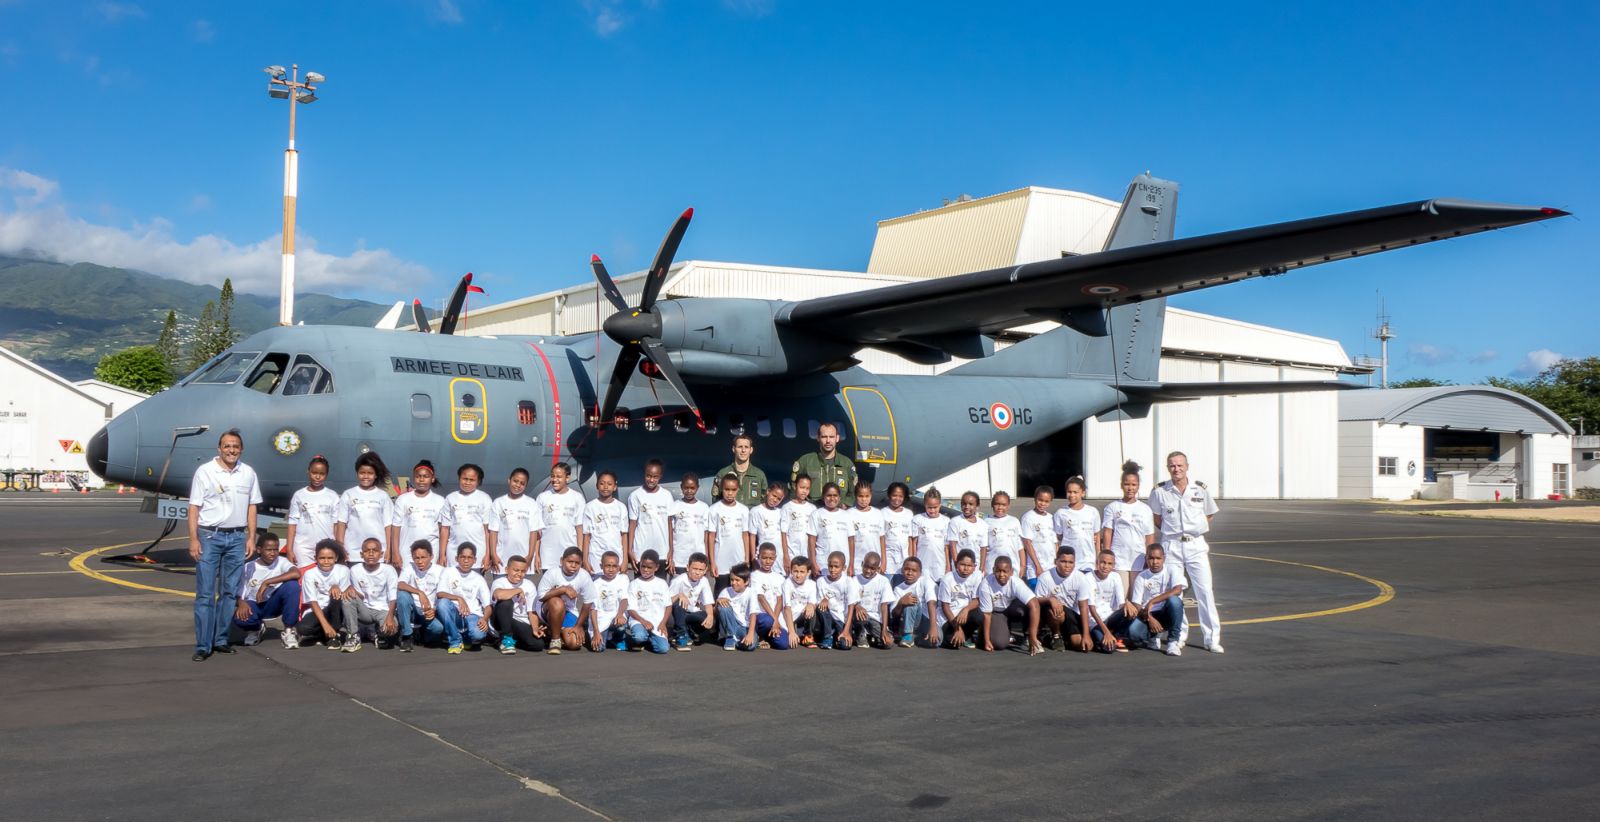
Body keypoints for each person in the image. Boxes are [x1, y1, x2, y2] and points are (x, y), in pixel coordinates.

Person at [188, 428, 261, 661]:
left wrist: (251, 537)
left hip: (237, 537)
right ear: (219, 448)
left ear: (241, 449)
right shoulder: (205, 472)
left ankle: (220, 639)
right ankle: (203, 644)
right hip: (210, 536)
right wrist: (193, 539)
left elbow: (252, 505)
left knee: (229, 592)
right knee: (206, 593)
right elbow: (194, 507)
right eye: (227, 446)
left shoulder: (248, 473)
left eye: (236, 446)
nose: (231, 450)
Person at [1150, 450, 1224, 653]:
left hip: (1195, 546)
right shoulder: (1159, 492)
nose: (1176, 469)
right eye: (1172, 465)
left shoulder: (1200, 490)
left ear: (1187, 466)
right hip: (1172, 546)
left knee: (1205, 592)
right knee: (1176, 593)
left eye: (1180, 465)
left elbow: (1209, 515)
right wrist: (1172, 533)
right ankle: (1179, 635)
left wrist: (1194, 530)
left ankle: (1211, 639)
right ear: (1168, 468)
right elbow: (1157, 519)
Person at [231, 532, 300, 648]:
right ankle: (256, 629)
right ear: (259, 550)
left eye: (276, 549)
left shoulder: (281, 561)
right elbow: (240, 593)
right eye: (269, 550)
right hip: (255, 604)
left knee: (293, 586)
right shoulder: (249, 567)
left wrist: (267, 582)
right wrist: (241, 603)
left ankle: (288, 630)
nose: (273, 553)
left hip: (274, 603)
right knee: (239, 618)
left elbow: (296, 573)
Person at [1125, 544, 1187, 656]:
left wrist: (1152, 601)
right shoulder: (1141, 577)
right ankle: (1153, 637)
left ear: (1164, 558)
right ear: (1146, 559)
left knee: (1175, 601)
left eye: (1158, 558)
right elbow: (1136, 604)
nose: (1155, 562)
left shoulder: (1172, 570)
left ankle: (1173, 642)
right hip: (1148, 614)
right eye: (1151, 558)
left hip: (1166, 613)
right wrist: (1150, 618)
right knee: (1133, 633)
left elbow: (1177, 590)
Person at [1102, 460, 1155, 590]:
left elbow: (1149, 537)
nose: (1130, 488)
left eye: (1133, 484)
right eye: (1127, 484)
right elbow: (1108, 533)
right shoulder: (1112, 507)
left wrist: (1149, 557)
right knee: (1122, 597)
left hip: (1139, 559)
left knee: (1136, 597)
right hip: (1119, 559)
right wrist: (1107, 555)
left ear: (1138, 486)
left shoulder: (1145, 509)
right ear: (1121, 485)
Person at [336, 452, 396, 566]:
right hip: (353, 553)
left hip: (379, 553)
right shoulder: (348, 494)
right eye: (362, 473)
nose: (366, 476)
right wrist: (341, 548)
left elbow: (388, 526)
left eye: (370, 473)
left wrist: (389, 549)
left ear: (376, 475)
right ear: (357, 473)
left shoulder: (383, 496)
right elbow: (341, 523)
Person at [440, 463, 500, 574]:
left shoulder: (484, 498)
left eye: (472, 480)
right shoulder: (450, 498)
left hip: (478, 552)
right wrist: (442, 554)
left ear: (478, 481)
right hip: (453, 552)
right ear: (459, 478)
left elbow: (488, 531)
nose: (467, 482)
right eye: (465, 478)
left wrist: (488, 554)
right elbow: (445, 529)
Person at [1031, 548, 1094, 652]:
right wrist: (1050, 599)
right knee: (1057, 610)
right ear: (1056, 561)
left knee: (1082, 646)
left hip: (1072, 616)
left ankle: (1050, 638)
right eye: (1063, 561)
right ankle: (1056, 636)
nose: (1067, 565)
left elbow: (1084, 607)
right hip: (1053, 615)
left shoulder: (1081, 577)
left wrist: (1086, 635)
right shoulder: (1045, 577)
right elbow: (1036, 600)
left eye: (1070, 562)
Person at [537, 546, 596, 655]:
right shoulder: (552, 573)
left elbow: (588, 602)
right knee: (557, 602)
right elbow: (541, 596)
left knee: (575, 644)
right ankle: (555, 640)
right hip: (548, 610)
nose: (573, 565)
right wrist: (562, 589)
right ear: (562, 560)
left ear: (581, 563)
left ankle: (552, 631)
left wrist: (578, 626)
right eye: (570, 561)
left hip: (569, 610)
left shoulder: (584, 575)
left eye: (577, 563)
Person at [295, 539, 353, 650]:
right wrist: (326, 626)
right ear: (315, 558)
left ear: (335, 558)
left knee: (336, 595)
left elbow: (345, 595)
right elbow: (312, 601)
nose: (326, 561)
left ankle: (334, 635)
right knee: (303, 629)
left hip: (336, 609)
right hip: (318, 610)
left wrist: (337, 587)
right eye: (322, 558)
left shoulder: (343, 570)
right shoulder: (309, 574)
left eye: (330, 558)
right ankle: (324, 634)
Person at [435, 542, 492, 654]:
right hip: (454, 613)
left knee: (478, 634)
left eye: (469, 558)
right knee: (442, 604)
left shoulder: (479, 578)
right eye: (463, 557)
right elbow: (440, 593)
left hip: (472, 615)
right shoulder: (448, 571)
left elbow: (488, 606)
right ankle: (455, 641)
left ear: (475, 560)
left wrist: (484, 619)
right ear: (457, 558)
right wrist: (459, 599)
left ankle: (465, 636)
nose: (466, 561)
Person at [389, 460, 447, 567]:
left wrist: (442, 555)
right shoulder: (403, 499)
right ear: (413, 478)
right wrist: (395, 553)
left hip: (431, 553)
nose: (421, 480)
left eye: (426, 476)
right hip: (406, 554)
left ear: (432, 479)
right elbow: (396, 528)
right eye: (418, 476)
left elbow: (442, 530)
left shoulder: (440, 501)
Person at [346, 537, 399, 650]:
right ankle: (353, 636)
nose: (370, 554)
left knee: (390, 631)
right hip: (365, 609)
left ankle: (375, 631)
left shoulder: (389, 570)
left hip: (383, 610)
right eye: (366, 551)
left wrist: (390, 617)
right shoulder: (355, 570)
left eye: (374, 551)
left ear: (381, 554)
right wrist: (351, 590)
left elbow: (393, 597)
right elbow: (360, 596)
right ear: (361, 554)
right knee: (347, 597)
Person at [284, 455, 338, 565]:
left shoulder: (333, 496)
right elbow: (292, 523)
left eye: (322, 474)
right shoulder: (299, 495)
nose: (317, 477)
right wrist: (289, 549)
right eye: (314, 473)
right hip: (303, 547)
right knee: (304, 578)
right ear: (308, 472)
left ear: (326, 475)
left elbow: (336, 524)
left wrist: (338, 546)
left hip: (326, 547)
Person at [535, 462, 585, 577]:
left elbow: (579, 527)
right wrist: (536, 555)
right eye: (552, 476)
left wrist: (580, 553)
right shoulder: (542, 497)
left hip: (569, 552)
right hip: (547, 554)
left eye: (559, 477)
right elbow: (538, 530)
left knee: (568, 590)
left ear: (567, 478)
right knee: (549, 591)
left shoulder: (577, 497)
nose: (555, 479)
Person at [490, 555, 547, 654]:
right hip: (500, 619)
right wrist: (517, 590)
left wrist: (535, 628)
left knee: (538, 645)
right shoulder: (499, 582)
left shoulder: (529, 585)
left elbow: (531, 611)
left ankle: (504, 641)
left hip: (518, 621)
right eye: (516, 570)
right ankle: (506, 640)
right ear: (507, 570)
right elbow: (498, 595)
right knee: (506, 601)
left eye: (523, 571)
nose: (519, 574)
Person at [978, 556, 1036, 653]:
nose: (1001, 574)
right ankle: (984, 634)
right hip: (996, 612)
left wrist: (1033, 637)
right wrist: (987, 640)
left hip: (1011, 608)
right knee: (999, 643)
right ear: (993, 570)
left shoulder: (1016, 582)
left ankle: (1027, 637)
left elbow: (1035, 605)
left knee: (1027, 606)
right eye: (998, 571)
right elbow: (987, 614)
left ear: (1011, 572)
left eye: (1005, 571)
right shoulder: (986, 584)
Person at [396, 539, 445, 651]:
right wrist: (420, 592)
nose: (420, 561)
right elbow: (400, 584)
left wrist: (435, 610)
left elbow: (443, 594)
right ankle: (407, 636)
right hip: (413, 609)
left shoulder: (440, 571)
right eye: (416, 558)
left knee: (438, 629)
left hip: (429, 611)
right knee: (402, 595)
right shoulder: (409, 567)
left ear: (431, 556)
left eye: (423, 557)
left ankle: (422, 635)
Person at [494, 468, 543, 577]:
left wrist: (530, 555)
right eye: (515, 481)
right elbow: (493, 531)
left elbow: (534, 532)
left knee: (524, 592)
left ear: (526, 485)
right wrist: (493, 554)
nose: (518, 485)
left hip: (524, 559)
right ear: (509, 480)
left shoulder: (531, 503)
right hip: (502, 559)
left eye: (522, 483)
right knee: (500, 591)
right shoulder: (498, 503)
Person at [791, 422, 856, 502]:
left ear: (837, 438)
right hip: (811, 510)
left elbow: (853, 492)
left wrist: (844, 504)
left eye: (831, 437)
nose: (828, 441)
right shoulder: (805, 461)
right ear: (818, 438)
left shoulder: (846, 464)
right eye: (824, 437)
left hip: (838, 511)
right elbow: (793, 487)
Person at [628, 460, 673, 573]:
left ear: (660, 476)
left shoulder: (667, 495)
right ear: (644, 474)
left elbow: (669, 524)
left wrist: (671, 549)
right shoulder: (635, 496)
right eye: (648, 476)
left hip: (662, 551)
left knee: (660, 587)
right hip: (641, 550)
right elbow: (632, 524)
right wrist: (630, 549)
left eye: (655, 477)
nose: (651, 480)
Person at [625, 550, 672, 654]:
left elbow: (668, 606)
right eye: (643, 566)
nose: (645, 570)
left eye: (649, 567)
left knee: (663, 649)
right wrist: (643, 621)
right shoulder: (634, 584)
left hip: (657, 622)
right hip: (639, 620)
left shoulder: (662, 583)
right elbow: (631, 609)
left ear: (656, 567)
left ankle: (652, 638)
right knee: (639, 637)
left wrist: (663, 624)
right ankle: (642, 637)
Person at [580, 470, 628, 573]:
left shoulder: (621, 507)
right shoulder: (590, 507)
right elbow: (586, 536)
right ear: (597, 486)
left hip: (616, 555)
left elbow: (624, 535)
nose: (605, 487)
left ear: (615, 487)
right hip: (596, 556)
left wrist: (625, 560)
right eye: (602, 483)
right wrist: (585, 560)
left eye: (609, 484)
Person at [936, 549, 983, 650]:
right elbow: (945, 607)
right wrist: (957, 629)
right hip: (949, 617)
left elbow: (977, 600)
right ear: (956, 564)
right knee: (953, 644)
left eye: (969, 566)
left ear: (974, 567)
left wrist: (965, 610)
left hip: (964, 614)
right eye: (962, 564)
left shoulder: (977, 576)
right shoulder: (947, 579)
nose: (965, 568)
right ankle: (957, 634)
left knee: (979, 616)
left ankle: (966, 635)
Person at [706, 473, 750, 581]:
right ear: (721, 489)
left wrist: (747, 559)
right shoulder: (714, 509)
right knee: (720, 593)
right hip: (721, 561)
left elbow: (745, 535)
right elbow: (711, 537)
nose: (730, 493)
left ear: (738, 489)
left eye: (733, 490)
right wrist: (712, 562)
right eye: (727, 489)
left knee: (738, 591)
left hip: (738, 559)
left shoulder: (743, 510)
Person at [1085, 549, 1130, 654]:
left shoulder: (1116, 576)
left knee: (1130, 610)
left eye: (1109, 564)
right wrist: (1106, 632)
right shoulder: (1088, 578)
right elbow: (1092, 609)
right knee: (1109, 649)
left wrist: (1128, 604)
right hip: (1095, 622)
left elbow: (1121, 604)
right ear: (1097, 563)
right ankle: (1100, 636)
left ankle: (1118, 636)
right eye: (1103, 562)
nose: (1105, 566)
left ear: (1113, 565)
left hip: (1110, 618)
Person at [668, 552, 716, 650]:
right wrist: (679, 595)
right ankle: (680, 636)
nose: (697, 572)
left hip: (690, 613)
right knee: (680, 603)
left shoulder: (704, 581)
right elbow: (666, 602)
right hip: (675, 614)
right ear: (687, 567)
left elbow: (708, 603)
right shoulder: (678, 580)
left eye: (701, 570)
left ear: (705, 570)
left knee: (706, 617)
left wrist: (710, 616)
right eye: (694, 569)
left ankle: (689, 633)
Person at [1053, 476, 1098, 573]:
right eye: (1069, 492)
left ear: (1083, 493)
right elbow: (1058, 537)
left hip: (1088, 561)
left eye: (1075, 492)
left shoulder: (1092, 512)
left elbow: (1096, 536)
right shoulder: (1060, 513)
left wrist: (1098, 557)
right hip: (1068, 562)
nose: (1072, 495)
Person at [815, 551, 859, 650]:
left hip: (841, 619)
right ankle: (827, 637)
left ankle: (838, 635)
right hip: (827, 617)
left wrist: (846, 631)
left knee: (845, 646)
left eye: (836, 567)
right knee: (821, 608)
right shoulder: (821, 581)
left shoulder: (848, 581)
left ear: (844, 568)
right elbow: (818, 603)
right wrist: (824, 599)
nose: (833, 569)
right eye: (830, 566)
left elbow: (851, 607)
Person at [589, 551, 631, 652]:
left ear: (618, 567)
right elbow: (593, 609)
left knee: (620, 626)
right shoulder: (596, 583)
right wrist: (596, 632)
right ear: (601, 566)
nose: (611, 569)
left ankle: (619, 638)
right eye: (607, 566)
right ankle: (607, 637)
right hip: (601, 620)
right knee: (598, 648)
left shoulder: (623, 579)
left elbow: (624, 599)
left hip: (616, 617)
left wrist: (620, 614)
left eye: (614, 566)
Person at [888, 556, 935, 648]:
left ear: (920, 573)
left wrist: (933, 627)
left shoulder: (926, 581)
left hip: (924, 619)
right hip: (905, 622)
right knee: (911, 600)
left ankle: (916, 637)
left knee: (935, 642)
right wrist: (901, 603)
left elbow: (932, 602)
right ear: (902, 571)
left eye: (914, 570)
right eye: (907, 569)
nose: (909, 573)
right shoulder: (898, 588)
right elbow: (893, 614)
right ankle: (907, 635)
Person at [669, 473, 710, 574]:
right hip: (679, 558)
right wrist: (671, 555)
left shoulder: (704, 507)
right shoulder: (675, 506)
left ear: (697, 488)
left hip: (698, 557)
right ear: (681, 487)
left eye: (692, 488)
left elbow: (706, 535)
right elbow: (670, 532)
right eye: (686, 488)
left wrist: (707, 557)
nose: (689, 491)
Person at [852, 551, 894, 649]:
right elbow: (850, 601)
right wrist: (857, 606)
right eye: (866, 566)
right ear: (862, 564)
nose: (868, 570)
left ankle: (873, 636)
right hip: (860, 617)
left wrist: (884, 630)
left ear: (878, 569)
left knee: (888, 644)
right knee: (860, 614)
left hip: (875, 619)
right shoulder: (855, 580)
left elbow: (884, 607)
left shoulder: (884, 581)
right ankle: (860, 634)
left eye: (872, 568)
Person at [809, 483, 852, 574]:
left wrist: (851, 564)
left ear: (839, 497)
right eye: (828, 495)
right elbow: (812, 540)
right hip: (823, 564)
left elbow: (851, 540)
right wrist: (813, 563)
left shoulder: (846, 515)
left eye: (835, 495)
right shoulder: (816, 514)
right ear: (823, 497)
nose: (832, 498)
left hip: (843, 565)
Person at [909, 488, 950, 581]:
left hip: (939, 564)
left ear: (940, 505)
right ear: (925, 505)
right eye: (929, 507)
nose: (932, 510)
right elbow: (914, 543)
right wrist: (914, 562)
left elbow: (946, 547)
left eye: (935, 507)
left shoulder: (946, 521)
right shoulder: (917, 519)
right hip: (922, 562)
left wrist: (948, 566)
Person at [1019, 485, 1058, 583]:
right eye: (1040, 500)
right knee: (1038, 597)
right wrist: (1038, 566)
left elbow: (1055, 542)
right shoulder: (1028, 517)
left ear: (1050, 502)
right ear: (1035, 499)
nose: (1042, 504)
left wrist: (1057, 561)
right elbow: (1027, 543)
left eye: (1046, 501)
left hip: (1051, 567)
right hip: (1035, 569)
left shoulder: (1051, 518)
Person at [716, 434, 768, 507]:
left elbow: (765, 501)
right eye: (740, 447)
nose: (743, 450)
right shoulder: (723, 473)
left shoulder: (759, 475)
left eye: (746, 447)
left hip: (752, 516)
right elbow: (716, 499)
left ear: (751, 450)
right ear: (734, 449)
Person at [781, 556, 822, 648]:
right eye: (795, 571)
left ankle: (808, 636)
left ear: (808, 572)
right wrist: (791, 632)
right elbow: (787, 608)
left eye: (802, 572)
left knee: (812, 610)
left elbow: (813, 602)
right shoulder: (787, 583)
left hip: (802, 615)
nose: (798, 575)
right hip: (788, 617)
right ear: (791, 571)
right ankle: (794, 631)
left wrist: (811, 605)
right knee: (786, 643)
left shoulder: (812, 584)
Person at [844, 481, 884, 575]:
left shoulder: (878, 514)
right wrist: (851, 565)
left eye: (867, 496)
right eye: (860, 496)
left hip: (875, 564)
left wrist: (884, 561)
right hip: (857, 565)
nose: (864, 499)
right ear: (855, 496)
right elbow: (849, 541)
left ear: (871, 496)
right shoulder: (848, 514)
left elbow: (882, 539)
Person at [946, 491, 988, 575]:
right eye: (964, 504)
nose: (967, 507)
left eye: (971, 504)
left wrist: (981, 568)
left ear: (977, 506)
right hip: (960, 568)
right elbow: (952, 545)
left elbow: (983, 548)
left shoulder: (983, 524)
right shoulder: (955, 521)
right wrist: (956, 565)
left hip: (975, 568)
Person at [779, 474, 816, 567]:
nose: (804, 491)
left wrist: (813, 557)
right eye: (802, 487)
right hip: (792, 553)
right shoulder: (787, 507)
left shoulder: (812, 509)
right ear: (795, 486)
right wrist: (786, 556)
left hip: (807, 554)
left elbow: (814, 535)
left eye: (807, 488)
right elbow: (783, 534)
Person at [746, 481, 786, 565]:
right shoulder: (756, 511)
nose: (775, 500)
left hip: (779, 558)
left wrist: (786, 556)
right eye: (774, 495)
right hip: (763, 557)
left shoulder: (781, 512)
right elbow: (752, 536)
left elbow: (784, 536)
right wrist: (753, 558)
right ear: (768, 492)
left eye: (779, 499)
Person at [879, 482, 914, 575]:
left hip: (904, 561)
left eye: (900, 496)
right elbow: (881, 539)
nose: (897, 499)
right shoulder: (882, 513)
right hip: (888, 561)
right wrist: (883, 561)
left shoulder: (909, 514)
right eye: (894, 495)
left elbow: (910, 538)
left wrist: (910, 559)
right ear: (889, 495)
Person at [985, 491, 1023, 575]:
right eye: (997, 504)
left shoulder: (1014, 521)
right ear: (992, 505)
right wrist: (983, 568)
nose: (1000, 507)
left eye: (1003, 505)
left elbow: (1020, 546)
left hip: (1013, 567)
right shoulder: (986, 522)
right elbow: (983, 547)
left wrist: (1022, 566)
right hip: (991, 567)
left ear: (1008, 506)